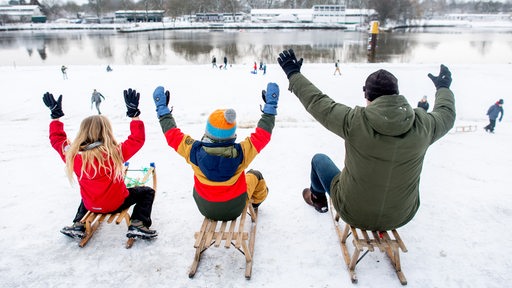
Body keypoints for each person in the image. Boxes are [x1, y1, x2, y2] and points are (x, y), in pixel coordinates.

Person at [277, 49, 455, 231]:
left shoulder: (355, 121)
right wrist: (443, 88)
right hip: (401, 215)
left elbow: (317, 102)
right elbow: (447, 115)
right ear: (397, 94)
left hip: (353, 211)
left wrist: (294, 74)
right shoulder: (424, 125)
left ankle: (317, 199)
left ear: (367, 96)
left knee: (319, 160)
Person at [151, 82, 279, 220]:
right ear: (232, 134)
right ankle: (257, 202)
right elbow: (263, 135)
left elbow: (173, 136)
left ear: (207, 132)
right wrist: (270, 108)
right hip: (235, 208)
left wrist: (162, 110)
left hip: (205, 208)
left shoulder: (193, 151)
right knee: (255, 175)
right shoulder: (242, 153)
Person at [42, 88, 157, 240]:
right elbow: (137, 139)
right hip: (117, 203)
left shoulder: (72, 156)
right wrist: (134, 114)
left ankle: (78, 224)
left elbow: (56, 140)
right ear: (106, 132)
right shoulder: (114, 153)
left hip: (91, 204)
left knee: (88, 195)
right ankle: (138, 223)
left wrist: (55, 117)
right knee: (147, 191)